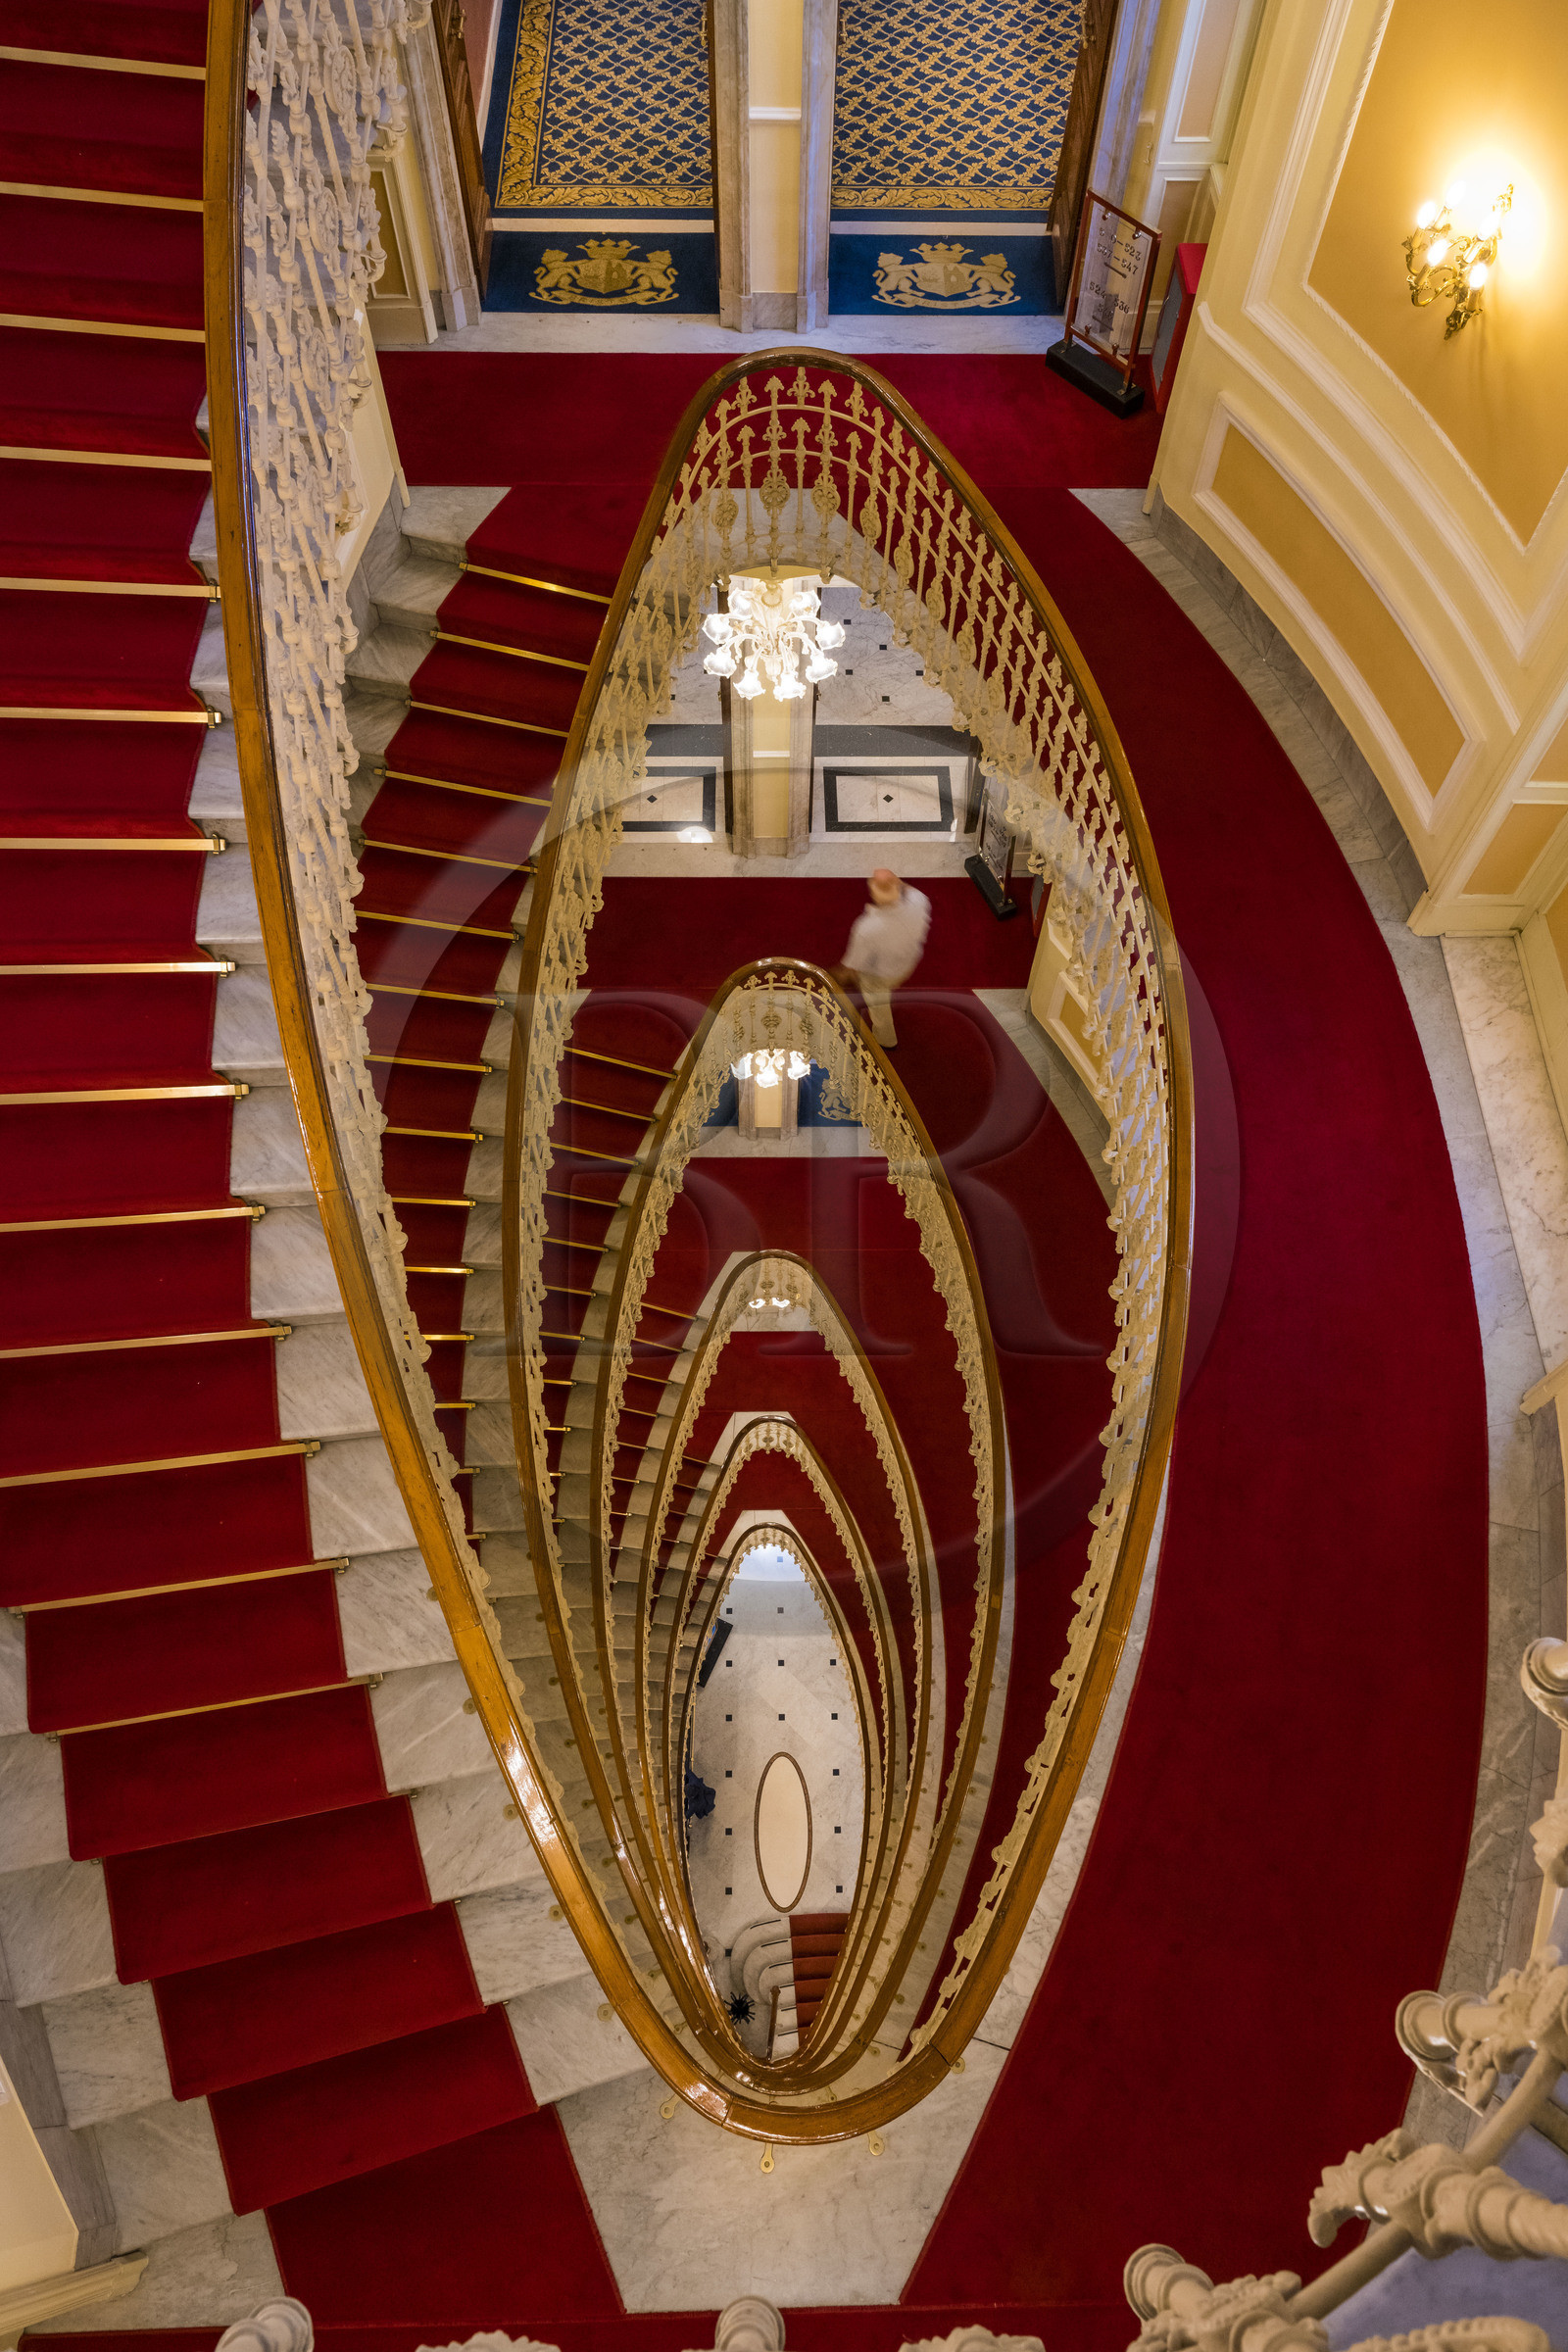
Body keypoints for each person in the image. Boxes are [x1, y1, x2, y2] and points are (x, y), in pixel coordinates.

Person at [842, 868, 931, 1050]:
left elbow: (854, 964)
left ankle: (885, 1040)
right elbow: (906, 888)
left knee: (878, 1003)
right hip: (908, 961)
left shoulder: (867, 928)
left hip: (881, 975)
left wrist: (842, 975)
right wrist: (892, 881)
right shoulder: (919, 899)